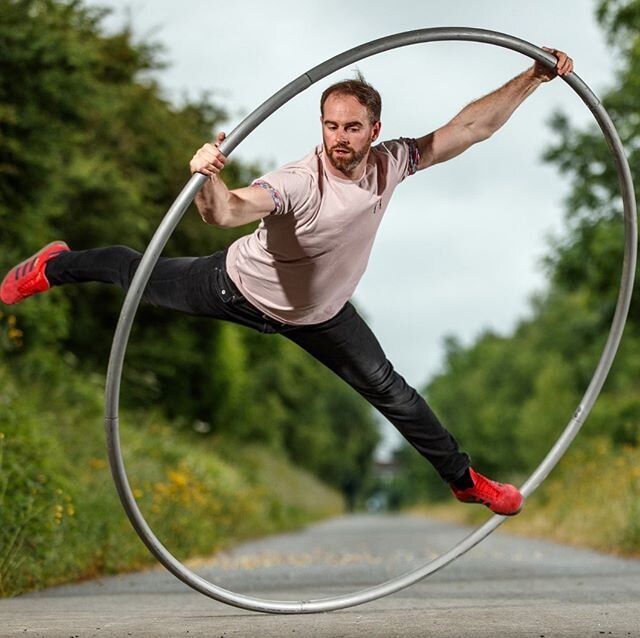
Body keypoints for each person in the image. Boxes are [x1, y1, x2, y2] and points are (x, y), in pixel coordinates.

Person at [0, 47, 574, 516]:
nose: (340, 138)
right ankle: (52, 266)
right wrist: (209, 179)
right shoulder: (298, 182)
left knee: (395, 394)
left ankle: (464, 480)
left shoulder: (393, 161)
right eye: (330, 126)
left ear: (376, 128)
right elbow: (225, 213)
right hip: (237, 287)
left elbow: (472, 127)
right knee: (136, 270)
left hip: (323, 315)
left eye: (353, 127)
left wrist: (533, 75)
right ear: (320, 126)